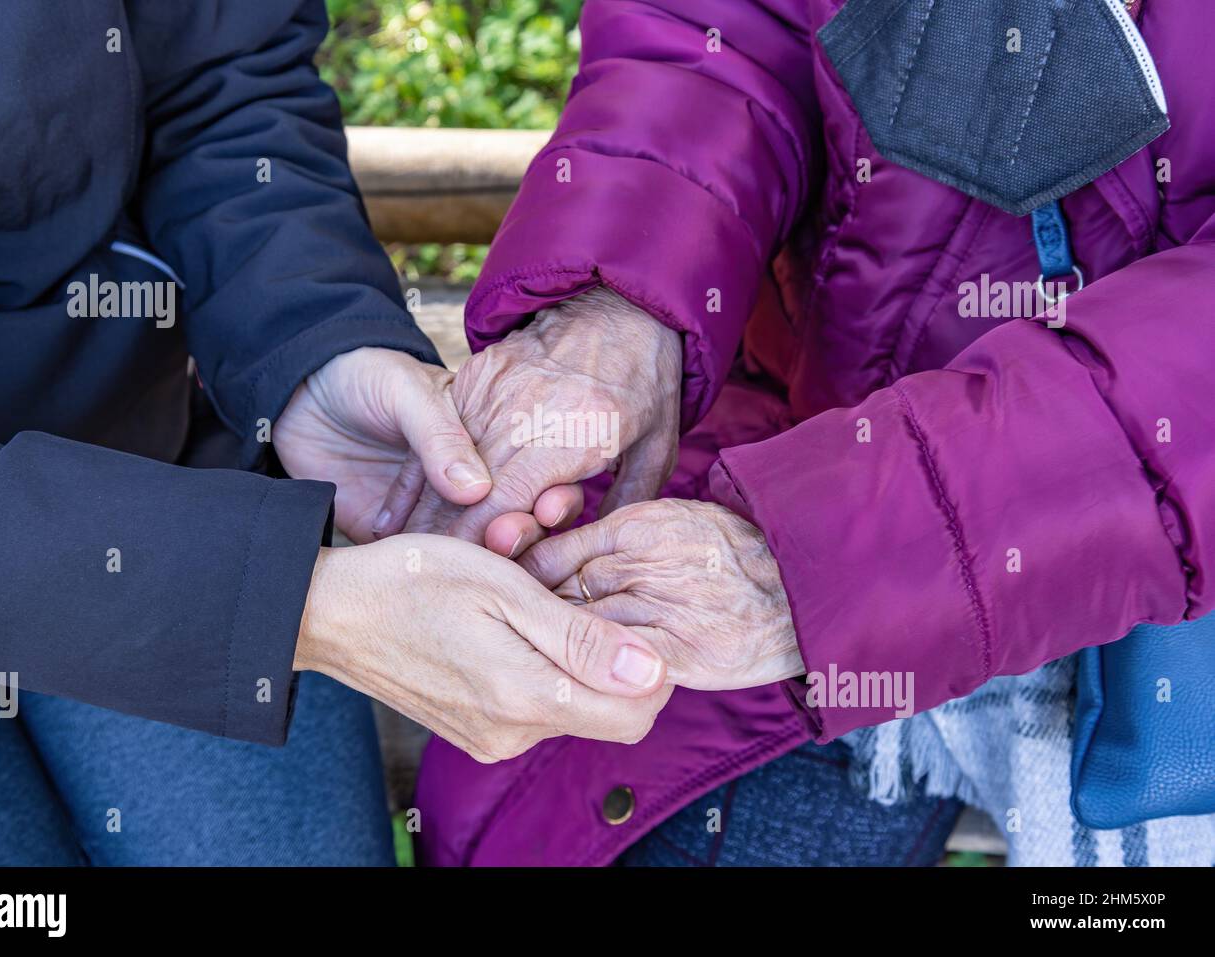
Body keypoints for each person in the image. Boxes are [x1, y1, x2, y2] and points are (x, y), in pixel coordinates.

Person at [405, 0, 1215, 865]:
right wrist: (621, 297)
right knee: (557, 790)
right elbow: (723, 29)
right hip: (798, 457)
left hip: (1132, 622)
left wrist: (828, 562)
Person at [0, 0, 669, 866]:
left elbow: (224, 82)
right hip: (182, 558)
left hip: (157, 459)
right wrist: (281, 605)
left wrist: (315, 349)